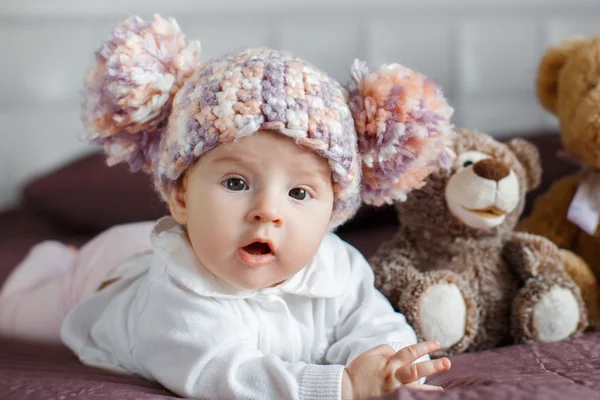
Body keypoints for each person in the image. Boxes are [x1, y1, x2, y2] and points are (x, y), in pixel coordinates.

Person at [0, 14, 456, 400]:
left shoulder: (338, 270)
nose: (267, 211)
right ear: (180, 196)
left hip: (141, 245)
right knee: (14, 314)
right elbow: (221, 372)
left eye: (299, 194)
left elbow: (371, 322)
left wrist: (390, 364)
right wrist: (343, 386)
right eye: (236, 182)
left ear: (333, 210)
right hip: (104, 273)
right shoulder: (175, 297)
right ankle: (56, 257)